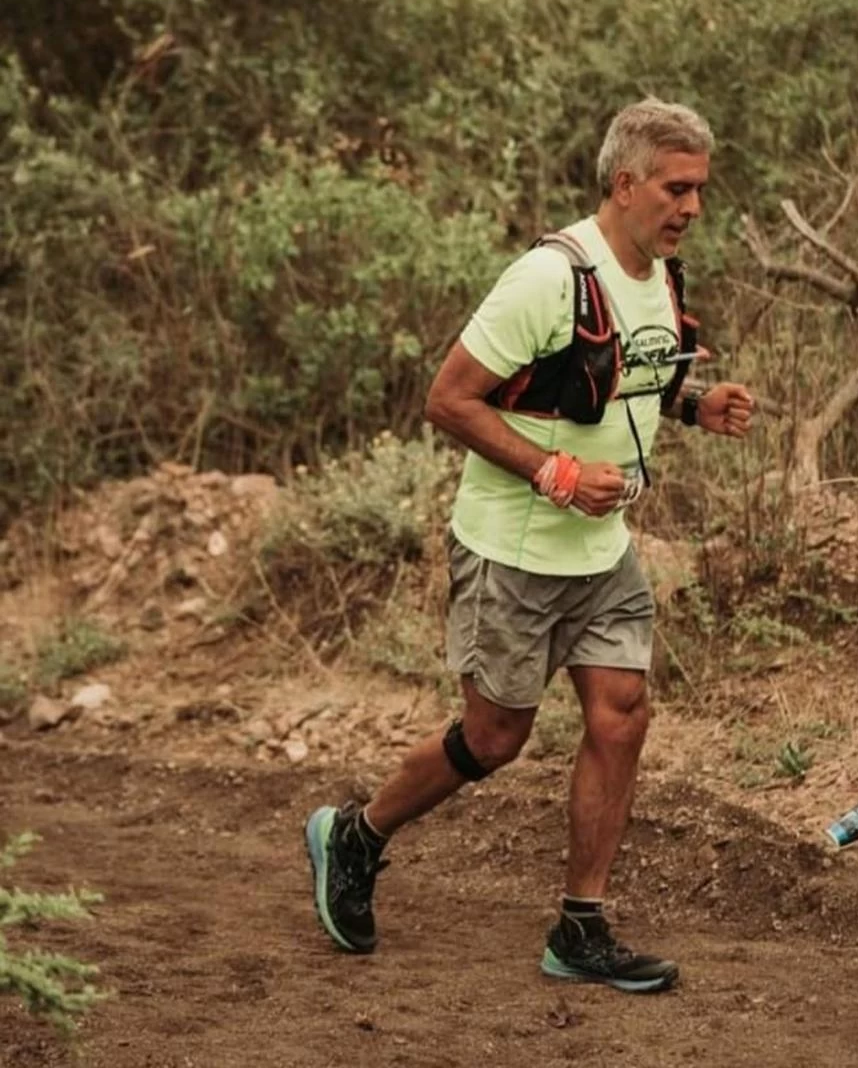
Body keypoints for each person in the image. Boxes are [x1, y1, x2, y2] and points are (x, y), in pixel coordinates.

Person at [305, 97, 754, 993]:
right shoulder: (547, 277)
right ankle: (356, 833)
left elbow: (619, 379)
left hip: (603, 553)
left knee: (620, 713)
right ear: (624, 183)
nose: (691, 207)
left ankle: (580, 927)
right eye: (676, 188)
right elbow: (449, 399)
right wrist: (551, 474)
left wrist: (695, 407)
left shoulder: (662, 275)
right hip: (512, 550)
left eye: (699, 189)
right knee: (496, 736)